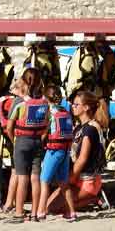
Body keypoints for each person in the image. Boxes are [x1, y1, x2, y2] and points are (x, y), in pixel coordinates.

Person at [47, 91, 109, 221]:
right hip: (78, 179)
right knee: (49, 205)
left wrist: (69, 178)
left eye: (76, 104)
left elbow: (82, 159)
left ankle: (94, 197)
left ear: (86, 107)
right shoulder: (80, 127)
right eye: (72, 104)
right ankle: (88, 199)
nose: (73, 107)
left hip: (87, 180)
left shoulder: (90, 129)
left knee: (56, 208)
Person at [6, 67, 49, 223]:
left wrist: (14, 140)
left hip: (22, 141)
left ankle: (19, 213)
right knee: (35, 178)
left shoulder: (18, 102)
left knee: (22, 178)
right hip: (37, 141)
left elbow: (9, 127)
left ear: (24, 81)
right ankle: (35, 213)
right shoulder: (45, 102)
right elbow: (46, 125)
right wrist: (40, 138)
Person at [38, 85, 73, 220]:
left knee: (44, 181)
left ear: (46, 98)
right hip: (65, 150)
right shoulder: (65, 111)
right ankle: (71, 212)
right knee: (64, 183)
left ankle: (41, 211)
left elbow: (45, 132)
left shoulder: (50, 113)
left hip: (53, 150)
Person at [0, 79, 22, 213]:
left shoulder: (3, 99)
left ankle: (11, 201)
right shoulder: (11, 101)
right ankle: (9, 202)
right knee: (16, 171)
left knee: (15, 171)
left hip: (9, 136)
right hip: (14, 137)